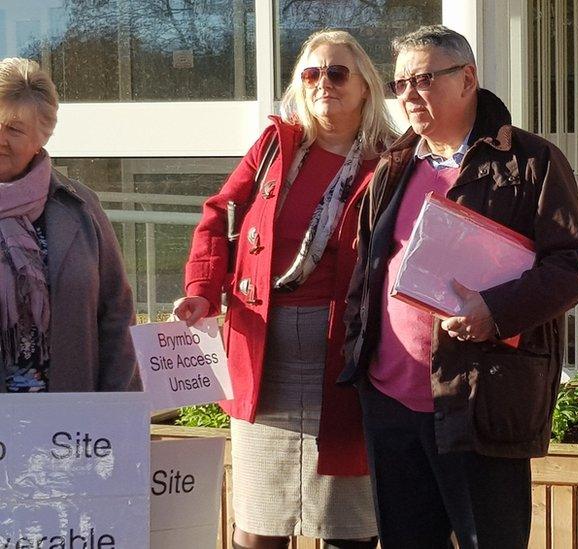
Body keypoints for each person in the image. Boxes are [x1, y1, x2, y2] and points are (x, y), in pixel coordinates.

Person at [341, 25, 578, 549]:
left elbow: (570, 266)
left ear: (467, 79)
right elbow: (367, 271)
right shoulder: (391, 166)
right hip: (390, 402)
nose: (408, 94)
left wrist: (495, 310)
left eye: (424, 79)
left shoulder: (531, 162)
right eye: (400, 83)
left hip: (481, 398)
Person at [174, 30, 395, 549]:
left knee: (349, 525)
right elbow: (216, 215)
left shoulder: (390, 161)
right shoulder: (276, 147)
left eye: (338, 73)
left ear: (365, 86)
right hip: (263, 353)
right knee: (258, 527)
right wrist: (202, 290)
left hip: (343, 358)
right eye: (311, 74)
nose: (324, 84)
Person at [0, 57, 140, 394]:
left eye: (14, 129)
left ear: (42, 135)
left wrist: (116, 406)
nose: (0, 138)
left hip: (70, 423)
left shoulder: (80, 206)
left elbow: (116, 312)